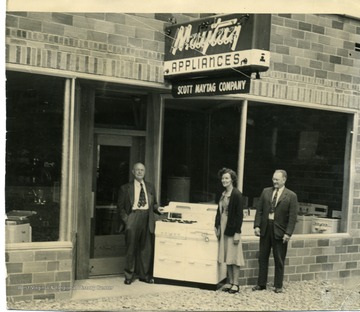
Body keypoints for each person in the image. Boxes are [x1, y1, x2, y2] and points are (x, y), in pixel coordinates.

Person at [252, 169, 298, 293]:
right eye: (273, 179)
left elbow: (292, 217)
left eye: (277, 179)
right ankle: (261, 284)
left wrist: (288, 233)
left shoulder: (291, 196)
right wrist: (257, 226)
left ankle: (278, 285)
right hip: (266, 228)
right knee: (262, 257)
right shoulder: (266, 192)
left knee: (279, 258)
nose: (275, 182)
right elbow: (259, 210)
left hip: (280, 231)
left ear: (284, 179)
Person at [117, 162, 162, 285]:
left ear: (145, 172)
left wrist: (158, 209)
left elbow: (154, 204)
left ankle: (144, 275)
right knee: (131, 248)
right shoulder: (125, 188)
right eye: (137, 170)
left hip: (147, 217)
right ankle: (129, 275)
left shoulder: (150, 186)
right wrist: (127, 220)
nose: (139, 172)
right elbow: (120, 207)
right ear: (133, 172)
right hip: (133, 216)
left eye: (142, 170)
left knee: (145, 248)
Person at [214, 168, 245, 294]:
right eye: (223, 178)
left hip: (232, 228)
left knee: (234, 256)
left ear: (232, 179)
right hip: (223, 227)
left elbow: (239, 215)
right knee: (227, 255)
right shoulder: (222, 194)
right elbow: (219, 211)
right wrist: (216, 226)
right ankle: (230, 282)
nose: (224, 180)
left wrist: (237, 232)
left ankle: (236, 284)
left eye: (227, 178)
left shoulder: (237, 194)